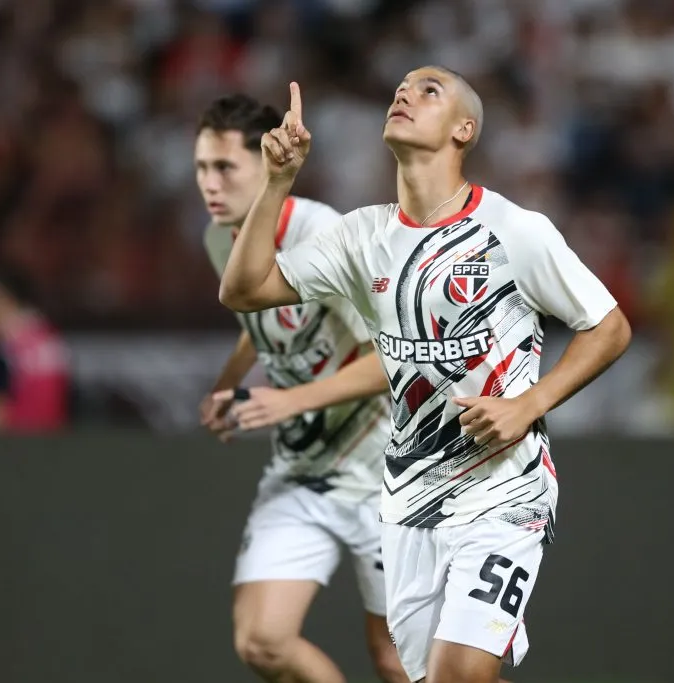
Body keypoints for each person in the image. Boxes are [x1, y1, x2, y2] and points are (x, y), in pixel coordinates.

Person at [218, 69, 632, 683]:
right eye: (400, 89)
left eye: (429, 90)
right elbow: (245, 289)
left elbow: (609, 326)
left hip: (503, 490)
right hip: (409, 500)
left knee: (460, 674)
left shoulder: (513, 230)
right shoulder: (362, 237)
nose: (404, 95)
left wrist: (528, 405)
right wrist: (277, 182)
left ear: (464, 130)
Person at [193, 93, 408, 683]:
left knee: (400, 663)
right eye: (201, 168)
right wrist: (230, 381)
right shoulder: (221, 239)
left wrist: (288, 400)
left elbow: (394, 360)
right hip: (304, 468)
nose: (209, 185)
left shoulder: (325, 236)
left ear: (266, 163)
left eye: (224, 168)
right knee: (262, 641)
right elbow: (262, 320)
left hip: (385, 474)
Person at [0, 268, 70, 433]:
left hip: (17, 439)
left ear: (6, 300)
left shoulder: (3, 345)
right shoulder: (50, 334)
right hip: (54, 438)